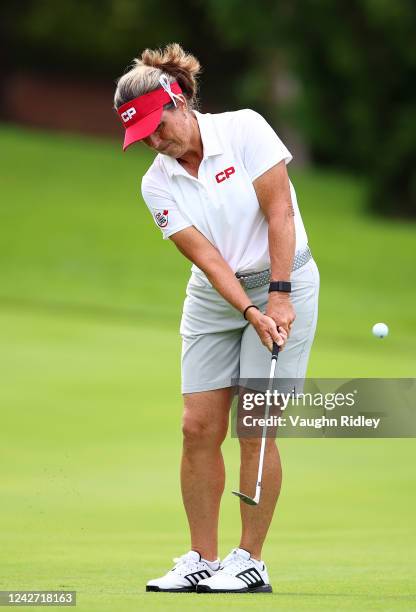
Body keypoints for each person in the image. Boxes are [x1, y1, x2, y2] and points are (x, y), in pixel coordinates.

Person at [113, 43, 319, 594]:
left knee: (254, 425)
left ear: (179, 100)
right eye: (145, 138)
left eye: (160, 127)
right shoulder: (156, 183)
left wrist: (277, 297)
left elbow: (280, 212)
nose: (157, 143)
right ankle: (201, 559)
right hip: (215, 295)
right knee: (197, 426)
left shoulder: (245, 129)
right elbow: (205, 257)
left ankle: (249, 560)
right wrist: (249, 309)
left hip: (284, 274)